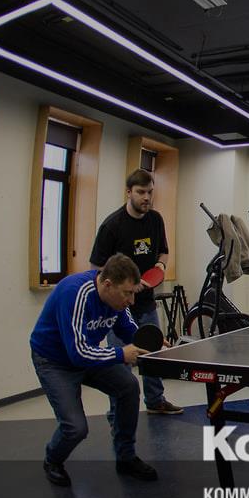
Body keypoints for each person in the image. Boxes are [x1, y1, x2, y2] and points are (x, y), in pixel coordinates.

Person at [30, 253, 159, 486]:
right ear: (108, 284)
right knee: (75, 428)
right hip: (54, 361)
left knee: (128, 387)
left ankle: (126, 458)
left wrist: (151, 342)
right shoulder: (75, 293)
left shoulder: (117, 301)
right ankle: (52, 460)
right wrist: (121, 354)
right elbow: (78, 353)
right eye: (127, 293)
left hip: (85, 354)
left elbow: (128, 329)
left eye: (133, 293)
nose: (131, 300)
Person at [90, 168, 182, 415]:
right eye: (141, 192)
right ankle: (117, 411)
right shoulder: (112, 225)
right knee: (121, 362)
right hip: (119, 307)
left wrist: (159, 268)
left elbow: (163, 252)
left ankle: (156, 400)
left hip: (146, 304)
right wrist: (125, 286)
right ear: (128, 192)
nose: (147, 197)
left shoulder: (156, 220)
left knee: (153, 355)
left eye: (150, 192)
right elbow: (97, 268)